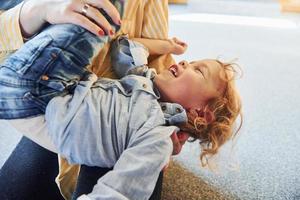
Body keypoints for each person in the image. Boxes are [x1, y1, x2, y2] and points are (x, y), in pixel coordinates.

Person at [0, 14, 242, 198]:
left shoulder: (157, 138)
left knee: (86, 25)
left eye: (198, 70)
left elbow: (122, 190)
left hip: (42, 104)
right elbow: (125, 48)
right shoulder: (143, 79)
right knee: (93, 24)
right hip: (51, 93)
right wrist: (167, 45)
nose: (186, 62)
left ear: (201, 113)